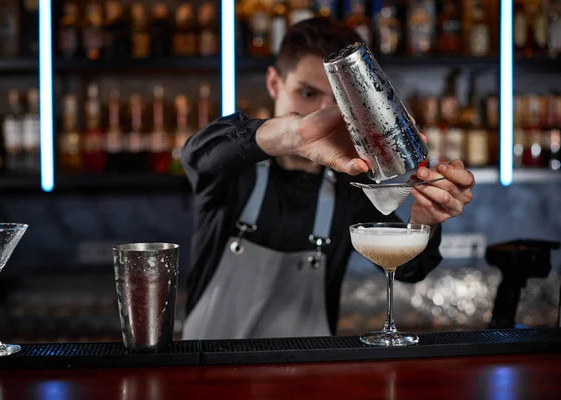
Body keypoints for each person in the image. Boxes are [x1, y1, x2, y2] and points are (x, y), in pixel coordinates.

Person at [180, 18, 475, 340]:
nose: (321, 112)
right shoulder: (234, 170)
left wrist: (425, 222)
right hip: (211, 370)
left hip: (308, 375)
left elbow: (409, 270)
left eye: (339, 101)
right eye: (307, 93)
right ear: (274, 83)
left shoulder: (350, 186)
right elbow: (198, 152)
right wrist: (296, 132)